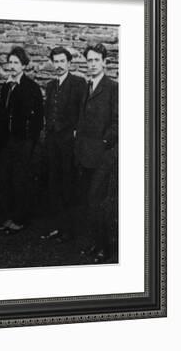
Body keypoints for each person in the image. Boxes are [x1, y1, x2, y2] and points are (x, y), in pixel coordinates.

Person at [74, 43, 118, 263]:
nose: (91, 64)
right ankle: (94, 243)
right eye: (88, 61)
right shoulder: (87, 86)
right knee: (89, 200)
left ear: (104, 62)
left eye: (95, 60)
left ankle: (105, 248)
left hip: (103, 155)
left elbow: (117, 122)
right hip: (85, 153)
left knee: (100, 201)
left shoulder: (112, 88)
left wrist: (103, 142)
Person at [0, 46, 44, 233]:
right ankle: (6, 217)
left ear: (24, 65)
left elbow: (38, 118)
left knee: (20, 180)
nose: (13, 66)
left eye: (17, 63)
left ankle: (19, 218)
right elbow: (1, 115)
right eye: (11, 62)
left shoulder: (31, 88)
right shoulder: (6, 87)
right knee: (4, 179)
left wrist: (30, 142)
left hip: (23, 142)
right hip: (6, 142)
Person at [40, 47, 86, 242]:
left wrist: (76, 132)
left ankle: (70, 230)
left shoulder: (78, 83)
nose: (58, 65)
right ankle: (56, 227)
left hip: (69, 142)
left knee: (69, 184)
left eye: (62, 61)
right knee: (54, 183)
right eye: (55, 61)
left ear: (69, 63)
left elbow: (82, 111)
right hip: (52, 141)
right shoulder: (50, 86)